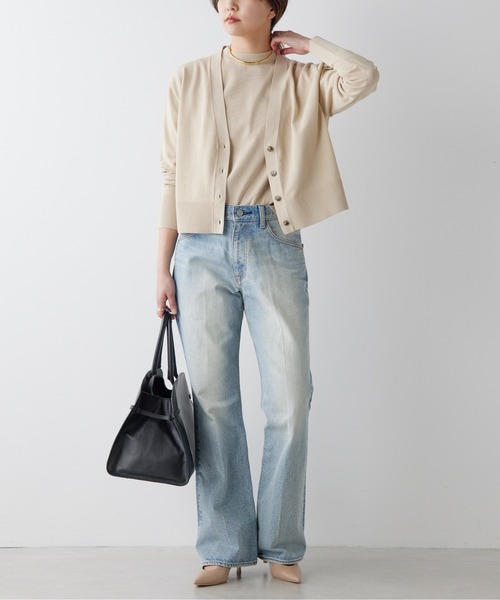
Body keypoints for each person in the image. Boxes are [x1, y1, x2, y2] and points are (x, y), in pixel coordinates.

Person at [156, 0, 379, 587]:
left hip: (274, 243)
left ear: (273, 8)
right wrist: (161, 268)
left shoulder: (303, 80)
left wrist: (312, 45)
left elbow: (363, 76)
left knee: (289, 399)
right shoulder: (189, 79)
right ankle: (223, 546)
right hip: (199, 250)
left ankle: (281, 543)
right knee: (213, 402)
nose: (229, 4)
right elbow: (172, 175)